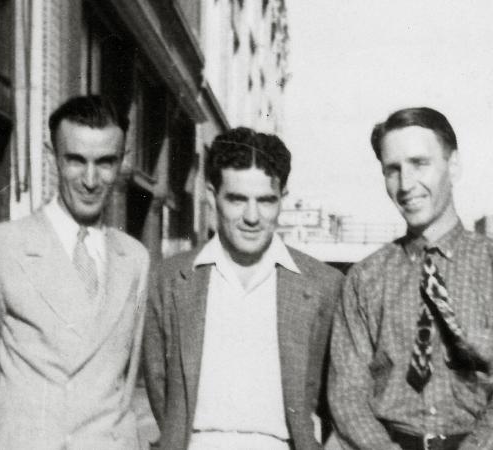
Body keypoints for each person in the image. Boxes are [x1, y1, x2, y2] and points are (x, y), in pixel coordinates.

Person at [328, 107, 493, 450]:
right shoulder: (364, 279)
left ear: (453, 165)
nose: (406, 184)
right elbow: (347, 396)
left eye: (419, 163)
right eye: (392, 170)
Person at [0, 95, 149, 450]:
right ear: (52, 156)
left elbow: (127, 380)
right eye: (76, 160)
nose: (91, 180)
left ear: (122, 160)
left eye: (105, 162)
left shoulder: (134, 258)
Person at [142, 127, 343, 450]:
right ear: (212, 196)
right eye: (237, 199)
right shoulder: (169, 279)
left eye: (265, 201)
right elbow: (158, 383)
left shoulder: (323, 285)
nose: (252, 216)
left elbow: (334, 400)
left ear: (282, 200)